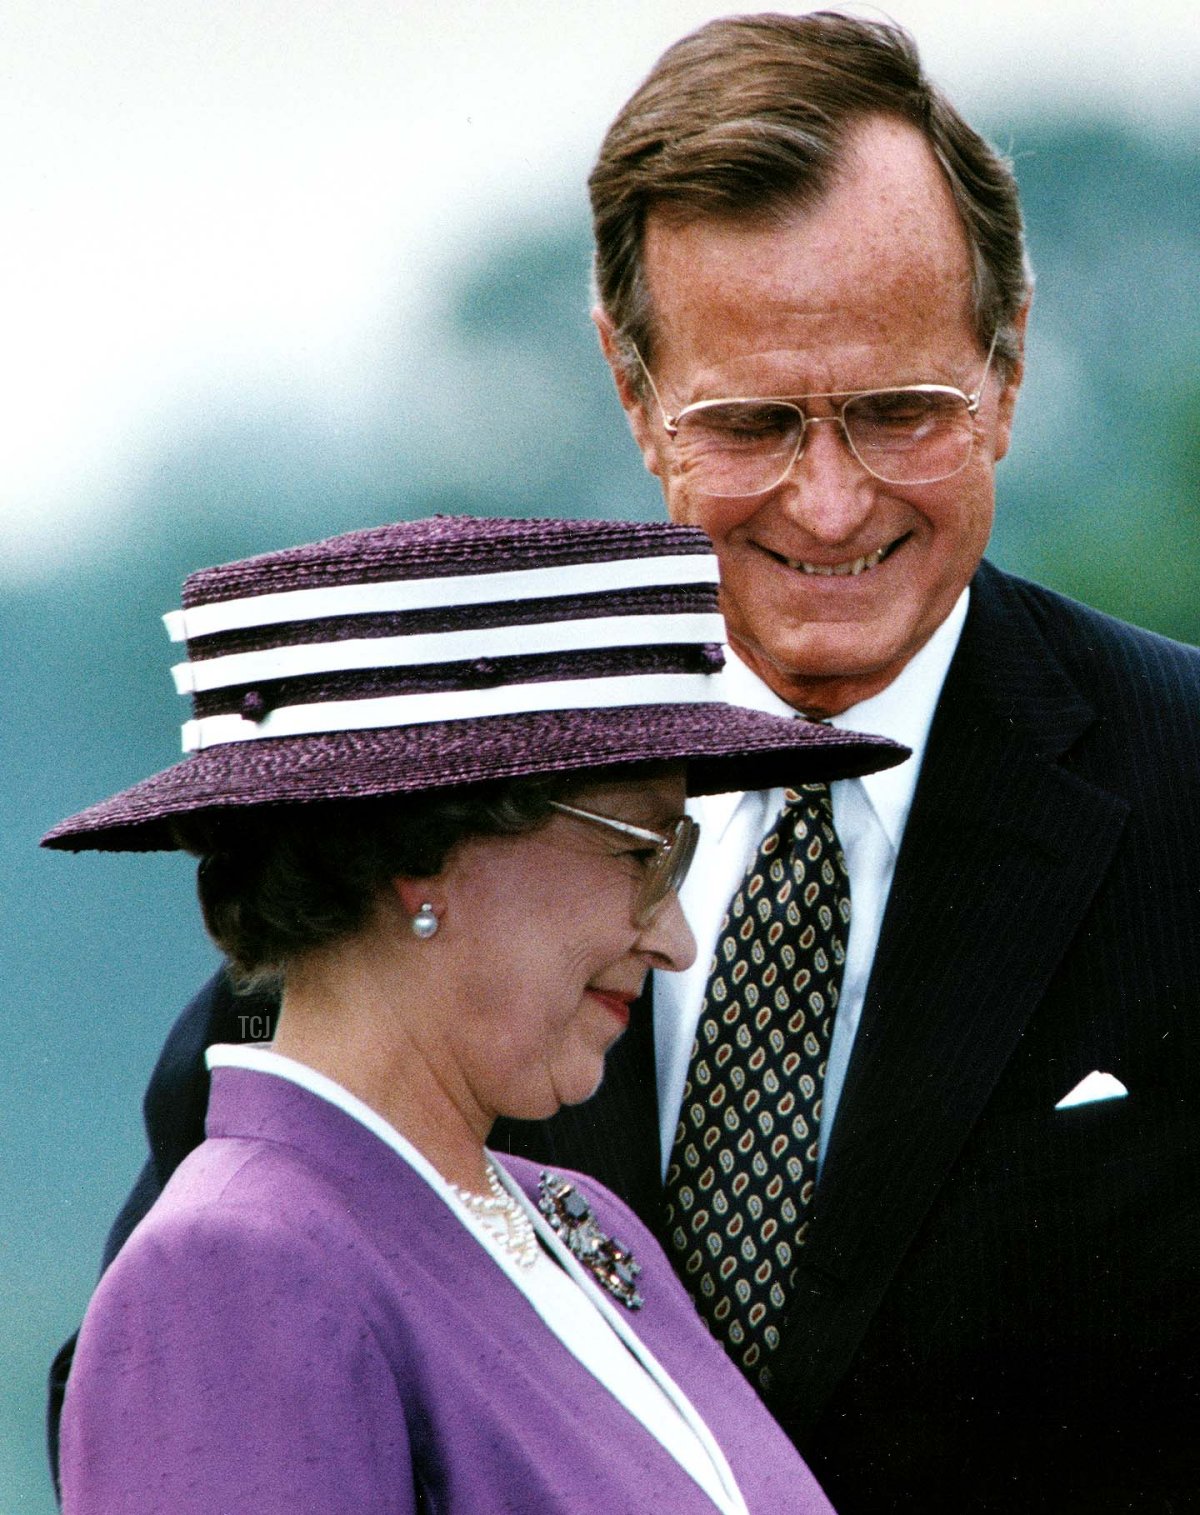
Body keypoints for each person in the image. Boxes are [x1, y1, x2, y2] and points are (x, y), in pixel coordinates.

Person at [50, 13, 1200, 1514]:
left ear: (1010, 356)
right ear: (630, 386)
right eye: (753, 422)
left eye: (899, 410)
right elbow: (185, 1390)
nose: (833, 500)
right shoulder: (424, 805)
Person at [46, 514, 901, 1513]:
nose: (677, 940)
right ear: (422, 852)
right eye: (641, 852)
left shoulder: (573, 1225)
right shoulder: (236, 1264)